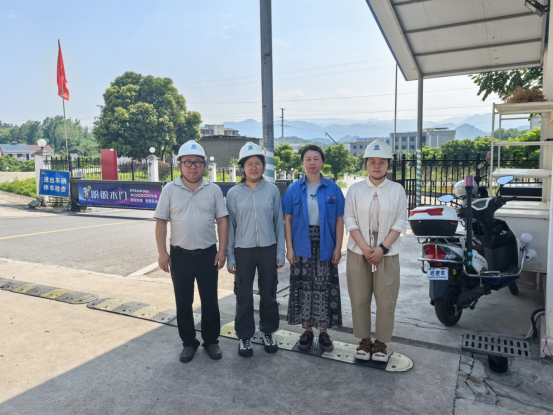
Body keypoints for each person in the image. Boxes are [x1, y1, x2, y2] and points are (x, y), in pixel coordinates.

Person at [154, 140, 229, 363]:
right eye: (188, 162)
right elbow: (161, 222)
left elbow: (222, 221)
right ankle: (188, 343)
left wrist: (222, 250)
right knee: (183, 301)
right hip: (180, 256)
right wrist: (162, 253)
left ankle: (211, 341)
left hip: (208, 255)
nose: (193, 166)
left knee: (210, 301)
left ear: (204, 165)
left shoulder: (213, 190)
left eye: (197, 162)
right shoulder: (169, 190)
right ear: (180, 165)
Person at [344, 139, 407, 362]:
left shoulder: (397, 190)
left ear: (388, 164)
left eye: (382, 162)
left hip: (387, 253)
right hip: (358, 251)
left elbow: (400, 222)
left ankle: (381, 343)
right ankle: (364, 341)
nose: (377, 166)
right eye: (372, 161)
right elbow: (349, 220)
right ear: (365, 164)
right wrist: (365, 248)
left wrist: (381, 248)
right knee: (359, 297)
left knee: (386, 299)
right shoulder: (355, 189)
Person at [282, 145, 344, 352]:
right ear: (302, 162)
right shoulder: (293, 189)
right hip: (301, 245)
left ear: (322, 162)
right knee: (304, 288)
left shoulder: (333, 189)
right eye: (308, 159)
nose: (312, 162)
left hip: (326, 245)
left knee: (324, 288)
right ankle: (307, 330)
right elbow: (287, 220)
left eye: (316, 158)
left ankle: (324, 332)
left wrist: (338, 247)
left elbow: (339, 220)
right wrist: (289, 248)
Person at [226, 142, 285, 357]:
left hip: (268, 248)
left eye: (257, 163)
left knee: (269, 293)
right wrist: (230, 255)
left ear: (263, 166)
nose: (254, 167)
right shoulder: (233, 193)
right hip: (243, 250)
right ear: (242, 167)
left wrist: (280, 252)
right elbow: (230, 226)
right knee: (243, 294)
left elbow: (278, 223)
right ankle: (245, 336)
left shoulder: (271, 190)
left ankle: (268, 332)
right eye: (249, 164)